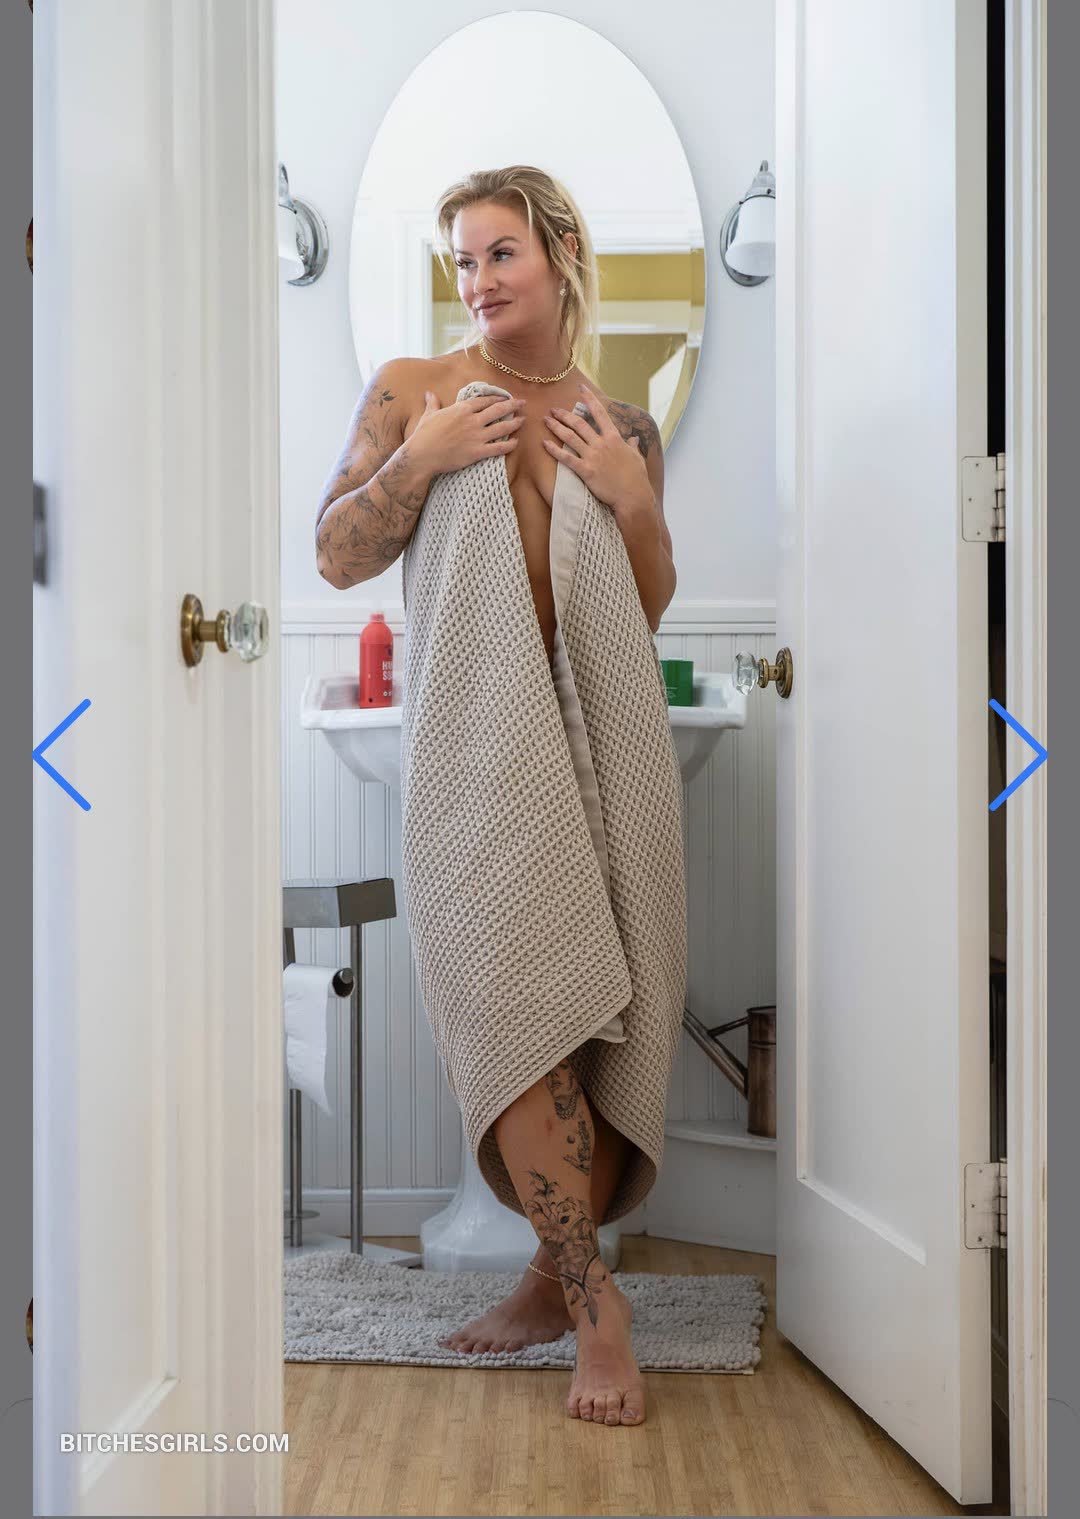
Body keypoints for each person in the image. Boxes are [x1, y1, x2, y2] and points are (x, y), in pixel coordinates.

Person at [315, 167, 684, 1428]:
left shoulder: (620, 426)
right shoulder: (414, 392)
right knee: (517, 1014)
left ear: (561, 249)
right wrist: (417, 463)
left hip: (602, 759)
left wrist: (634, 501)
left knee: (593, 1023)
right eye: (462, 261)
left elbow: (647, 603)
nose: (475, 282)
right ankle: (595, 1302)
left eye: (498, 253)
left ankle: (541, 1277)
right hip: (477, 765)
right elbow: (335, 553)